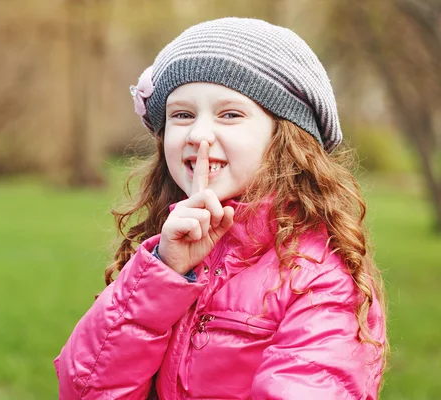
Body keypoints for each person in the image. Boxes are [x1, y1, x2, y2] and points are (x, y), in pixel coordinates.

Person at [54, 17, 387, 399]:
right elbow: (87, 389)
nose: (198, 134)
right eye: (182, 115)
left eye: (230, 114)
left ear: (287, 138)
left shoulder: (316, 279)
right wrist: (162, 272)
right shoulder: (164, 252)